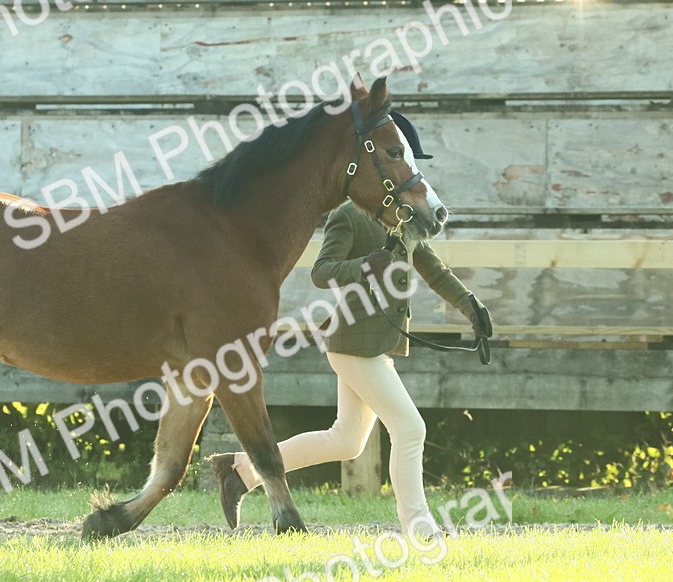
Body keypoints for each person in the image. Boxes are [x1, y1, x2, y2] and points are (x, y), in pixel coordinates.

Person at [207, 113, 491, 539]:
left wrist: (471, 307)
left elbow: (433, 269)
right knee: (411, 428)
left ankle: (240, 471)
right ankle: (420, 527)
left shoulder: (406, 220)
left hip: (377, 345)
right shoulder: (350, 216)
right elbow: (322, 272)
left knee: (345, 440)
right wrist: (365, 265)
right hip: (353, 344)